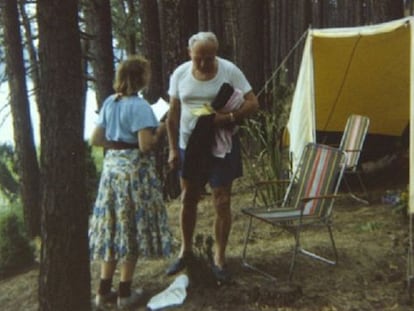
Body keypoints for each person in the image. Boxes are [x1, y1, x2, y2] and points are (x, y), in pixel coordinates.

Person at [165, 31, 259, 282]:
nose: (204, 63)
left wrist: (228, 118)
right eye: (199, 58)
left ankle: (219, 256)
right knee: (189, 197)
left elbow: (253, 102)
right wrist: (173, 148)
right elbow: (173, 115)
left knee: (222, 200)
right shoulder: (180, 74)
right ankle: (185, 250)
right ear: (190, 54)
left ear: (216, 54)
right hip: (189, 145)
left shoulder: (229, 70)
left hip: (220, 145)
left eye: (209, 57)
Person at [89, 55, 172, 309]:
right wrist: (161, 128)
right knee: (130, 231)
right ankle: (124, 293)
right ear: (141, 78)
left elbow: (95, 138)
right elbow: (145, 146)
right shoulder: (139, 106)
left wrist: (117, 145)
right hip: (133, 176)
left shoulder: (110, 102)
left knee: (113, 229)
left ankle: (103, 291)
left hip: (111, 172)